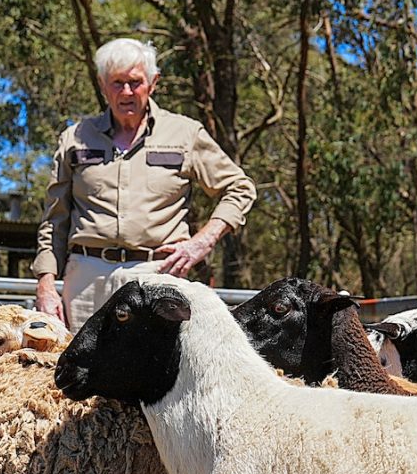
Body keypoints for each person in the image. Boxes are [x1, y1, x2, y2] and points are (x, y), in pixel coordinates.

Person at [32, 37, 256, 331]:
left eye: (135, 82)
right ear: (102, 84)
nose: (126, 92)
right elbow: (54, 219)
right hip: (86, 281)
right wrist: (46, 284)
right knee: (82, 373)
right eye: (116, 83)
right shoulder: (75, 138)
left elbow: (240, 188)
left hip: (157, 275)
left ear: (153, 82)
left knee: (155, 374)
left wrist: (199, 244)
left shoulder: (185, 134)